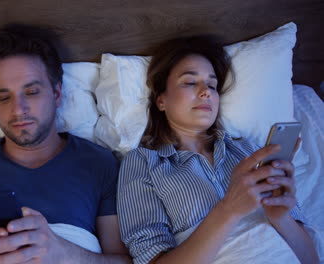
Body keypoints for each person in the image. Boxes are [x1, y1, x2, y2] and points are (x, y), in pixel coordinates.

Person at [0, 24, 131, 264]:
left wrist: (63, 252)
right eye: (4, 97)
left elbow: (124, 260)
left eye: (31, 92)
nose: (18, 109)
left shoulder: (98, 163)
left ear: (57, 94)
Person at [117, 36, 319, 264]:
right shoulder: (143, 162)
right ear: (161, 100)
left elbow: (311, 259)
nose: (206, 92)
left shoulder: (246, 149)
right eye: (190, 82)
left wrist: (280, 218)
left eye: (212, 85)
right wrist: (229, 209)